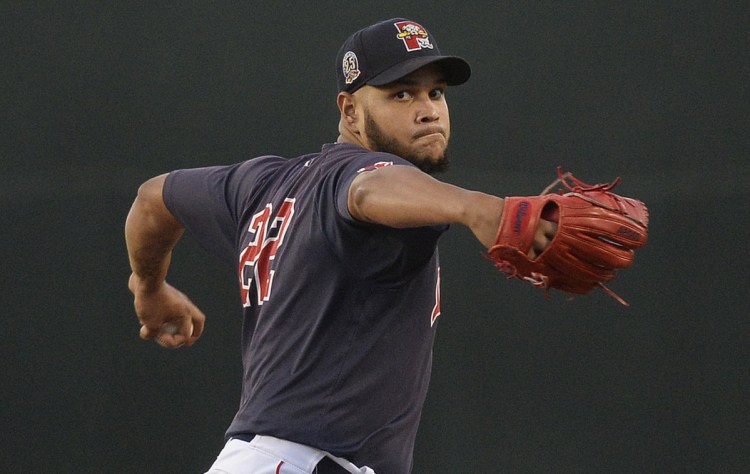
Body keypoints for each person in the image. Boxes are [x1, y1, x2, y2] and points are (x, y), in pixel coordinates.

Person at [125, 18, 556, 474]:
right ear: (349, 111)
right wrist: (481, 210)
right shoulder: (369, 175)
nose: (429, 110)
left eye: (437, 92)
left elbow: (153, 199)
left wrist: (149, 287)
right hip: (304, 461)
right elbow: (366, 189)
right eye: (402, 94)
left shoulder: (261, 184)